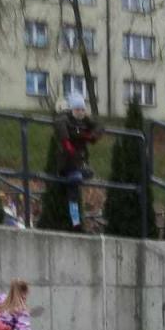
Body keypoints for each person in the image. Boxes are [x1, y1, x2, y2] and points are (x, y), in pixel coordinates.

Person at [53, 91, 102, 230]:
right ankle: (75, 221)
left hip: (80, 162)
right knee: (73, 190)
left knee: (77, 186)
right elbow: (60, 123)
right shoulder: (65, 118)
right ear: (72, 109)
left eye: (82, 109)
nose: (80, 112)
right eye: (77, 109)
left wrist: (92, 136)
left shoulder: (84, 119)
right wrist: (68, 142)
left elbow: (99, 127)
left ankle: (76, 222)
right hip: (68, 162)